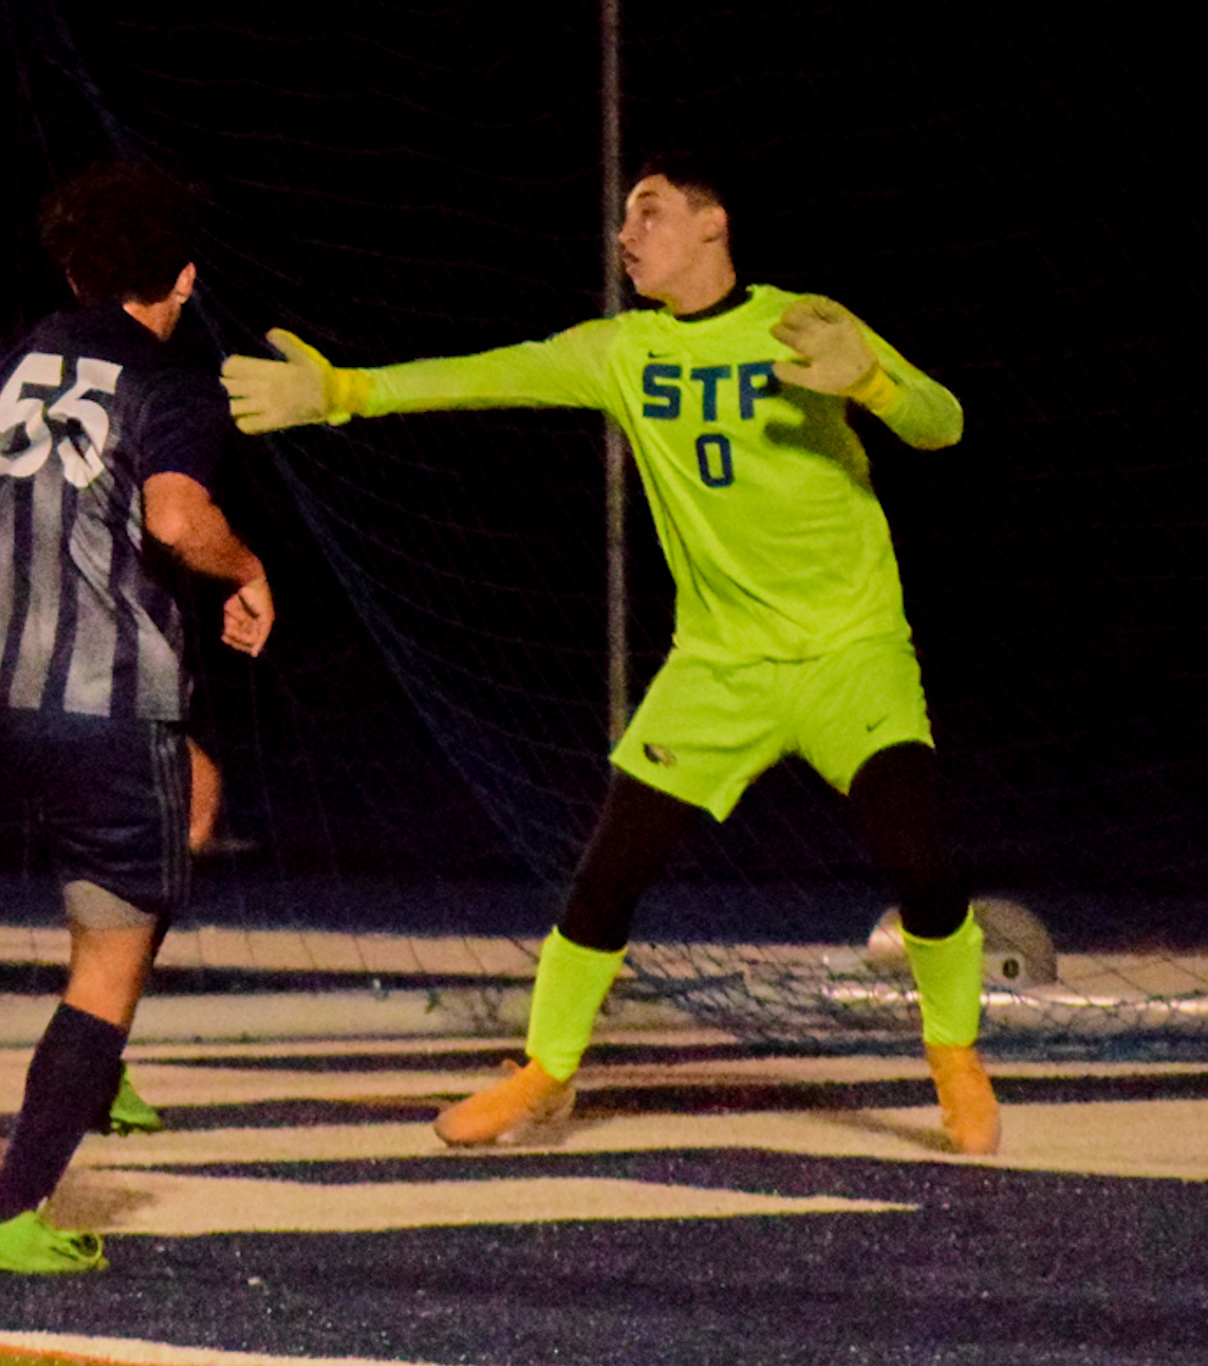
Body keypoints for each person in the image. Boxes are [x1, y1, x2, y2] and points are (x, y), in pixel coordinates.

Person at [221, 154, 999, 1157]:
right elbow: (481, 376)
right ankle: (544, 1073)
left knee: (920, 864)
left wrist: (879, 383)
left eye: (651, 212)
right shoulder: (619, 350)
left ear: (712, 225)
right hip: (717, 666)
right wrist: (340, 390)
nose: (626, 235)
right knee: (603, 877)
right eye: (624, 218)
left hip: (849, 652)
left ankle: (953, 1057)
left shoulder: (803, 319)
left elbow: (944, 423)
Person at [0, 160, 273, 1272]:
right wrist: (248, 566)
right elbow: (176, 517)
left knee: (193, 795)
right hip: (106, 707)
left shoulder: (12, 361)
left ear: (74, 268)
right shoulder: (174, 383)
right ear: (180, 277)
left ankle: (93, 1061)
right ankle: (11, 1213)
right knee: (109, 964)